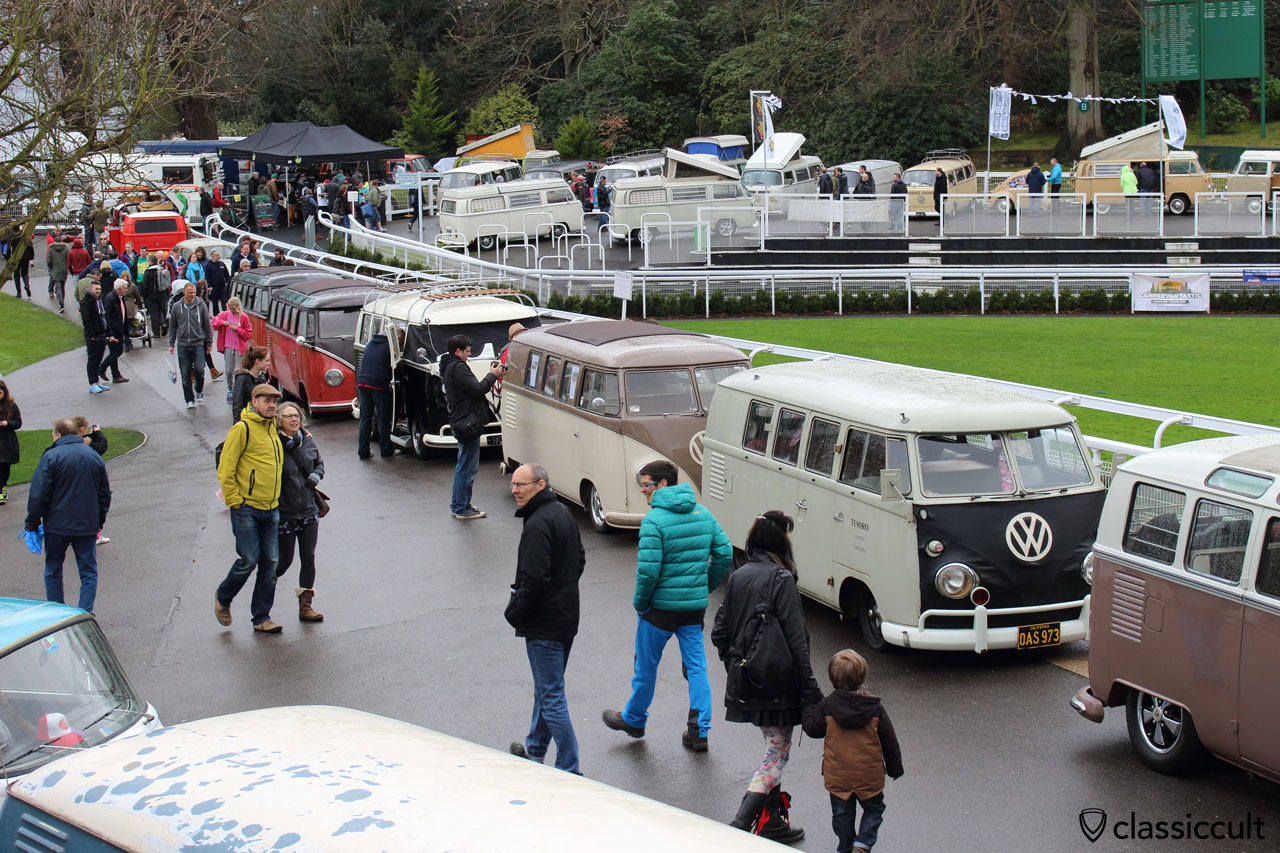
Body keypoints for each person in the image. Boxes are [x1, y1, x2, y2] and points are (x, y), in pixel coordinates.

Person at [602, 459, 732, 751]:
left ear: (662, 484)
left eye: (645, 485)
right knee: (697, 668)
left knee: (646, 667)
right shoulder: (703, 513)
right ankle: (699, 731)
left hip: (658, 611)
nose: (642, 490)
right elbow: (724, 553)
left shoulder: (654, 520)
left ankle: (634, 719)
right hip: (692, 610)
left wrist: (641, 604)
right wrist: (705, 587)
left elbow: (648, 572)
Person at [712, 510, 822, 843]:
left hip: (748, 680)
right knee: (777, 753)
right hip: (778, 683)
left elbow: (720, 632)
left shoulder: (739, 574)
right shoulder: (781, 578)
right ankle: (740, 824)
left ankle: (772, 821)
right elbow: (796, 640)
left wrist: (739, 665)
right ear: (779, 540)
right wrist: (811, 688)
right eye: (788, 535)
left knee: (773, 745)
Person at [505, 463, 585, 775]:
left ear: (540, 485)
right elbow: (579, 560)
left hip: (544, 626)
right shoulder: (562, 512)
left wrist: (515, 613)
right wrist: (563, 591)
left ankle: (569, 768)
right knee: (546, 689)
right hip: (565, 619)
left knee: (551, 697)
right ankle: (535, 750)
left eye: (521, 485)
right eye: (513, 484)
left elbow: (534, 582)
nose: (515, 490)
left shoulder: (537, 524)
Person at [802, 650, 904, 853]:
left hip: (839, 775)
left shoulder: (827, 706)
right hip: (869, 774)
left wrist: (807, 708)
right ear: (862, 677)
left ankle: (845, 847)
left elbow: (813, 730)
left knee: (842, 816)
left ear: (832, 678)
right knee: (874, 809)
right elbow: (889, 742)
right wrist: (895, 769)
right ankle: (863, 843)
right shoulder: (874, 708)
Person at [215, 384, 285, 634]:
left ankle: (261, 617)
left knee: (270, 564)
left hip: (272, 507)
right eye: (266, 401)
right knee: (249, 560)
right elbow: (225, 468)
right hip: (246, 508)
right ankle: (224, 597)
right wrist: (235, 500)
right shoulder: (242, 429)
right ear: (254, 402)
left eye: (274, 401)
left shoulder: (272, 428)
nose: (271, 405)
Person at [25, 419, 111, 612]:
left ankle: (58, 612)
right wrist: (99, 521)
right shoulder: (93, 455)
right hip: (87, 524)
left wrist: (32, 522)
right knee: (88, 572)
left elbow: (39, 494)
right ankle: (85, 611)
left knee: (53, 569)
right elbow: (104, 494)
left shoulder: (51, 456)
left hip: (57, 525)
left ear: (57, 435)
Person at [441, 334, 503, 519]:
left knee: (463, 466)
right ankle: (462, 508)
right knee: (467, 468)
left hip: (459, 420)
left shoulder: (449, 366)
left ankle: (459, 505)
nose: (469, 354)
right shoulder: (458, 367)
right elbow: (477, 389)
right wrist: (492, 376)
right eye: (467, 351)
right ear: (458, 351)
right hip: (467, 423)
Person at [275, 402, 325, 622]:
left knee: (308, 557)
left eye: (296, 415)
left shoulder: (308, 440)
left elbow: (319, 463)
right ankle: (263, 597)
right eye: (288, 416)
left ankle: (306, 607)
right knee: (284, 561)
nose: (293, 419)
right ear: (280, 421)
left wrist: (317, 474)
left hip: (309, 511)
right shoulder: (274, 444)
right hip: (285, 514)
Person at [168, 282, 214, 409]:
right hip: (183, 345)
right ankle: (189, 399)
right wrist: (171, 343)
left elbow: (207, 325)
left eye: (194, 292)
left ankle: (199, 390)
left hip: (198, 343)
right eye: (190, 293)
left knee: (200, 370)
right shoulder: (177, 307)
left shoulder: (201, 305)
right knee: (185, 373)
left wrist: (209, 343)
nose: (192, 295)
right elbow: (173, 326)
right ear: (184, 292)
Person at [355, 328, 398, 459]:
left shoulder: (371, 344)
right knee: (383, 418)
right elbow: (395, 365)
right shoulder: (389, 347)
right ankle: (386, 450)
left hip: (363, 382)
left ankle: (363, 451)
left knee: (365, 418)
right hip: (379, 384)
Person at [70, 416, 109, 546]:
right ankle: (95, 534)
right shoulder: (85, 444)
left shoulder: (67, 442)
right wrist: (98, 433)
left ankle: (73, 534)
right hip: (88, 481)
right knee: (94, 507)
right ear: (82, 428)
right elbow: (101, 447)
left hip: (73, 482)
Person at [212, 298, 255, 400]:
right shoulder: (225, 315)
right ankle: (230, 389)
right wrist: (222, 323)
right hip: (228, 347)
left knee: (238, 371)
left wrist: (238, 330)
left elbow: (248, 334)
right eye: (230, 309)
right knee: (228, 371)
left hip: (240, 348)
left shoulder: (244, 317)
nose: (232, 311)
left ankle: (237, 391)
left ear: (238, 307)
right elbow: (214, 323)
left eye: (233, 309)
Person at [80, 280, 111, 394]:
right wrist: (92, 335)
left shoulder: (99, 301)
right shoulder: (86, 302)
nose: (98, 291)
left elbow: (103, 317)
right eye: (96, 289)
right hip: (93, 335)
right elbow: (86, 320)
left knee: (98, 359)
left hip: (101, 333)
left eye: (99, 289)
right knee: (92, 359)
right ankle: (92, 383)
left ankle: (97, 382)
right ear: (91, 289)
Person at [99, 280, 130, 384]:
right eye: (125, 288)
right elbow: (107, 317)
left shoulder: (119, 298)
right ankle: (115, 375)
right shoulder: (110, 299)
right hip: (113, 331)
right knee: (114, 352)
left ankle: (102, 368)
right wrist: (110, 333)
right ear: (119, 289)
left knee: (118, 351)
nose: (126, 290)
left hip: (119, 330)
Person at [231, 346, 271, 423]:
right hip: (247, 421)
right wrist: (239, 424)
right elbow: (237, 404)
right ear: (257, 361)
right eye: (266, 361)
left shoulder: (261, 377)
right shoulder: (242, 379)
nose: (268, 363)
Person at [0, 380, 20, 506]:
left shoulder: (11, 406)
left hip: (6, 441)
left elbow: (18, 422)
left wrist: (7, 423)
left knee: (4, 467)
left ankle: (2, 488)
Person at [140, 253, 170, 338]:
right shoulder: (161, 269)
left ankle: (156, 332)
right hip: (161, 294)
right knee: (160, 311)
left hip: (151, 296)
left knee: (153, 314)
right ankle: (163, 324)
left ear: (150, 261)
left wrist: (144, 295)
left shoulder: (148, 272)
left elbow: (145, 285)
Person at [46, 232, 70, 311]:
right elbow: (69, 259)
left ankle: (61, 304)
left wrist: (51, 267)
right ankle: (63, 302)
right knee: (63, 287)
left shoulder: (51, 249)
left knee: (58, 287)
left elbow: (49, 261)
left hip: (55, 269)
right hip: (64, 269)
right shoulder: (66, 249)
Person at [206, 249, 230, 313]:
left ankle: (225, 313)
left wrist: (227, 283)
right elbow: (207, 277)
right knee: (215, 302)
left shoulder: (222, 264)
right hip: (214, 287)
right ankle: (216, 315)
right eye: (217, 255)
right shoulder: (209, 266)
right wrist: (209, 286)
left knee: (224, 300)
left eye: (218, 255)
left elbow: (227, 274)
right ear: (213, 256)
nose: (218, 256)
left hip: (222, 286)